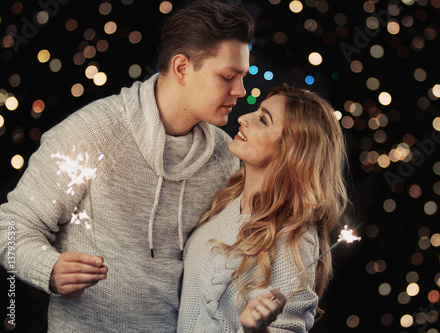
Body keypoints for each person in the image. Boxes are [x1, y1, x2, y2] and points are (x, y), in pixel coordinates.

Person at [0, 0, 253, 332]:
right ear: (181, 68)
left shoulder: (226, 157)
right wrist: (48, 268)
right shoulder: (92, 133)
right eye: (227, 76)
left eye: (242, 77)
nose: (241, 91)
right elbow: (10, 227)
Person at [178, 84, 349, 332]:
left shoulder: (294, 237)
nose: (243, 118)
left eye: (262, 119)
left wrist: (256, 330)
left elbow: (287, 328)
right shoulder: (228, 198)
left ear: (292, 150)